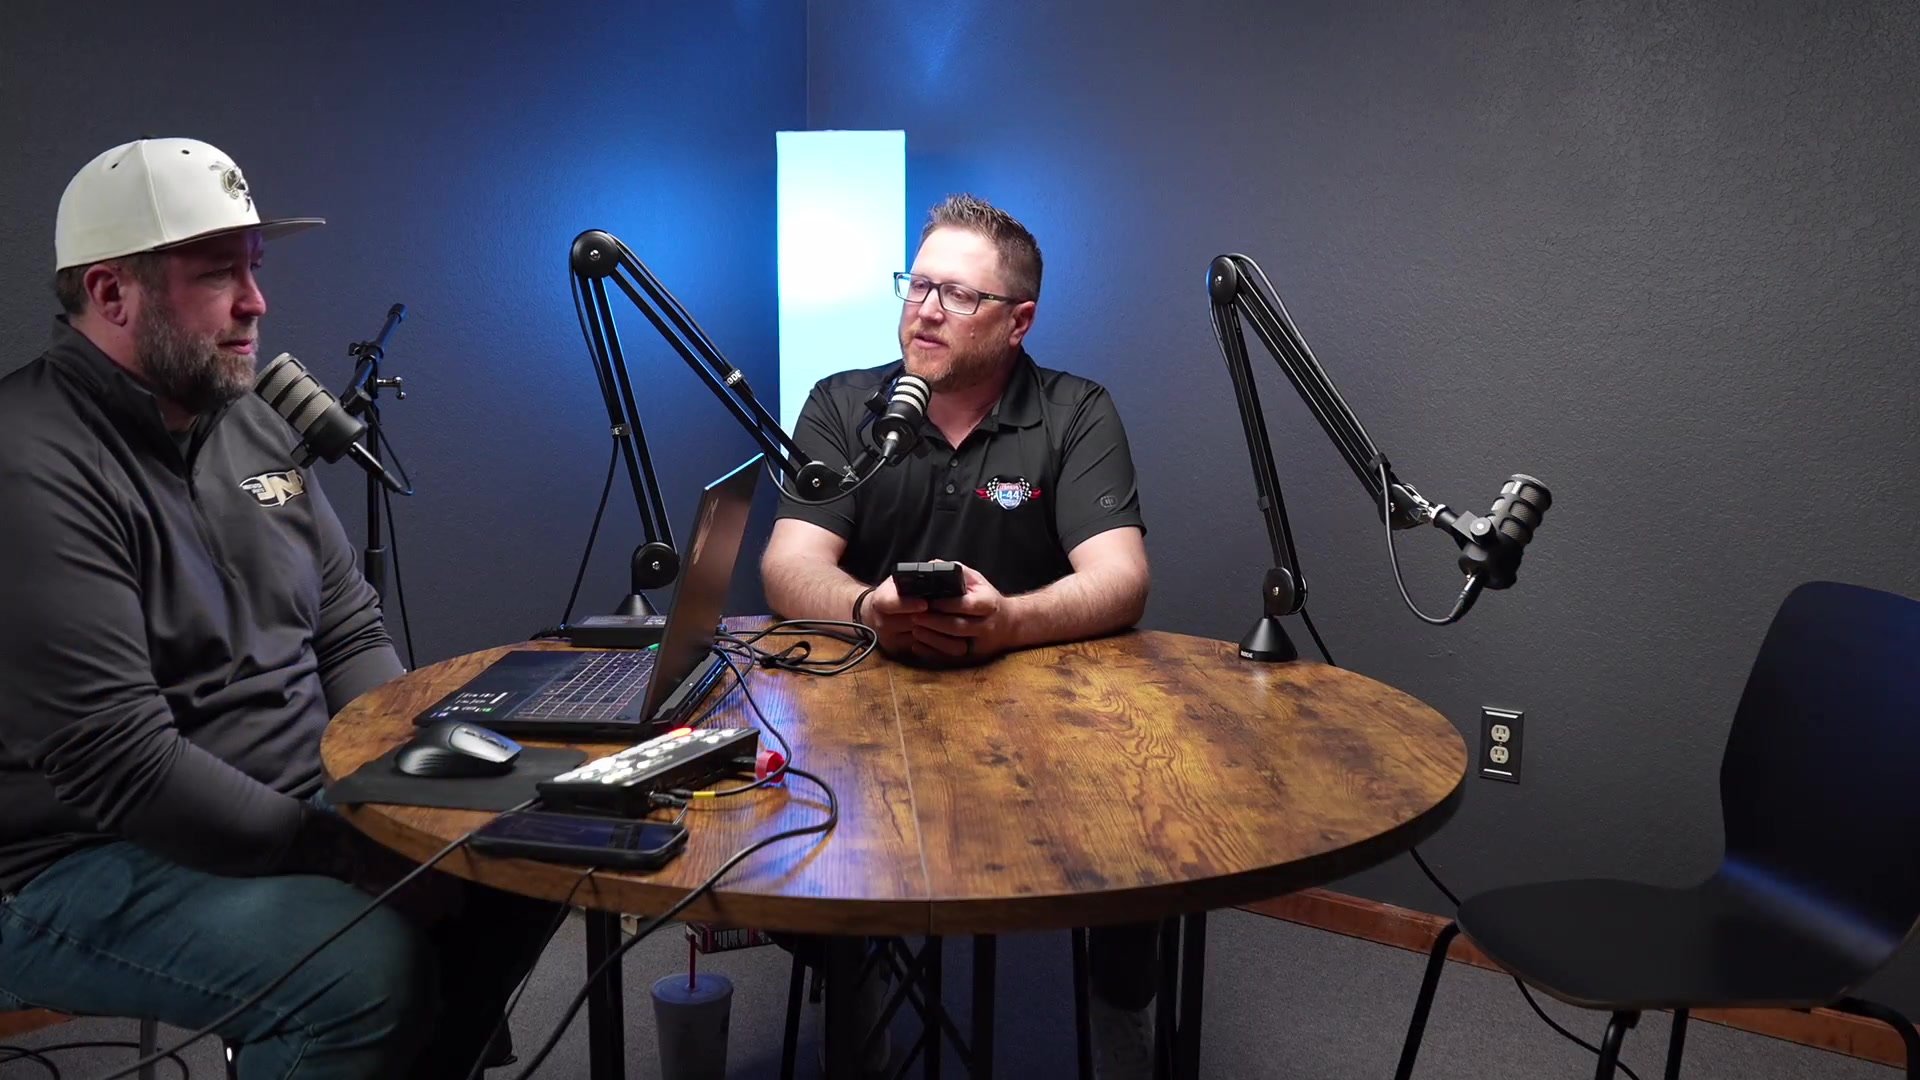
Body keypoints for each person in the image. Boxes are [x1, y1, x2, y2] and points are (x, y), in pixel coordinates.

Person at [0, 138, 556, 1079]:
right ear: (111, 293)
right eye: (219, 274)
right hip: (81, 859)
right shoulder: (31, 462)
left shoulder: (248, 420)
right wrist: (351, 855)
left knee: (530, 849)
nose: (256, 302)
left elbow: (347, 629)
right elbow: (122, 765)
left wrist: (408, 779)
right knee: (362, 978)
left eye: (254, 268)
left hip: (297, 807)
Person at [761, 194, 1159, 1077]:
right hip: (866, 714)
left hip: (1035, 716)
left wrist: (1011, 620)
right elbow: (789, 565)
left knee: (1146, 820)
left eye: (959, 295)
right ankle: (852, 980)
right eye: (918, 285)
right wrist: (868, 609)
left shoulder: (1075, 411)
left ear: (1019, 320)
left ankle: (1119, 1008)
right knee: (778, 827)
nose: (927, 309)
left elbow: (1121, 576)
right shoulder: (843, 404)